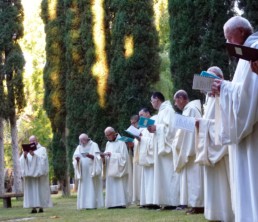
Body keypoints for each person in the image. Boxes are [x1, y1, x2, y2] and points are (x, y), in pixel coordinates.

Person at [211, 16, 258, 222]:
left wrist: (224, 87)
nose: (228, 43)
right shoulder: (245, 56)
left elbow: (248, 99)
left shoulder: (254, 48)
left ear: (240, 32)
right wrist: (226, 89)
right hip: (247, 139)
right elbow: (242, 92)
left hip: (253, 136)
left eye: (228, 37)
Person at [195, 67, 234, 221]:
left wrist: (203, 124)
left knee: (225, 183)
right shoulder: (209, 100)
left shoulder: (226, 95)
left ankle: (227, 214)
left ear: (220, 78)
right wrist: (201, 124)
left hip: (223, 151)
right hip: (210, 148)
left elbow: (226, 123)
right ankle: (215, 213)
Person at [172, 90, 204, 214]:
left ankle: (198, 205)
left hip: (192, 150)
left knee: (194, 180)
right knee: (192, 179)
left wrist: (179, 144)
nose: (175, 104)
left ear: (181, 98)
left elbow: (187, 133)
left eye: (176, 101)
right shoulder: (191, 109)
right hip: (191, 148)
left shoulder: (190, 109)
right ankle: (195, 205)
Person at [147, 92, 179, 209]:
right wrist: (154, 130)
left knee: (170, 175)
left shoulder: (168, 110)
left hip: (167, 149)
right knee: (163, 176)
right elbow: (162, 128)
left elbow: (171, 130)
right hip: (161, 148)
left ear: (157, 99)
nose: (151, 103)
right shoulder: (161, 112)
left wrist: (157, 128)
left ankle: (172, 202)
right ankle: (165, 202)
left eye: (152, 100)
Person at [20, 135, 52, 213]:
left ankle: (41, 207)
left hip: (39, 176)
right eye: (30, 141)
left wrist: (34, 155)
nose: (32, 142)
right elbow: (21, 161)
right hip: (30, 176)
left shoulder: (42, 149)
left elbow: (43, 160)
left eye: (33, 140)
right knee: (32, 191)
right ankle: (33, 208)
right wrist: (24, 155)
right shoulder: (26, 151)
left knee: (40, 190)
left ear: (36, 140)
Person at [102, 127, 132, 208]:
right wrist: (103, 157)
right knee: (111, 185)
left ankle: (120, 203)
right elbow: (106, 154)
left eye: (108, 135)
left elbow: (124, 158)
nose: (107, 137)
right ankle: (111, 204)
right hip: (110, 169)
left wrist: (112, 155)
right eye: (106, 136)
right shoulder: (108, 143)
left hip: (119, 169)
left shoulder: (121, 142)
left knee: (120, 186)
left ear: (113, 133)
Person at [72, 133, 104, 209]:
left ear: (86, 139)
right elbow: (74, 157)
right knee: (84, 188)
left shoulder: (94, 145)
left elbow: (98, 157)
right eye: (80, 141)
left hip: (92, 170)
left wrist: (91, 156)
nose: (81, 142)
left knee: (92, 187)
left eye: (82, 140)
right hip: (83, 172)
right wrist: (77, 160)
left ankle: (93, 205)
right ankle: (84, 205)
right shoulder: (79, 147)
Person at [135, 108, 157, 209]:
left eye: (142, 114)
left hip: (152, 157)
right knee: (146, 181)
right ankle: (147, 201)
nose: (141, 117)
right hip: (145, 157)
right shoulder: (142, 128)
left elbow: (154, 140)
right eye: (139, 115)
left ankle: (154, 201)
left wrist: (142, 139)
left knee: (153, 180)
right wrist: (138, 139)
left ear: (148, 114)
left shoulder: (154, 122)